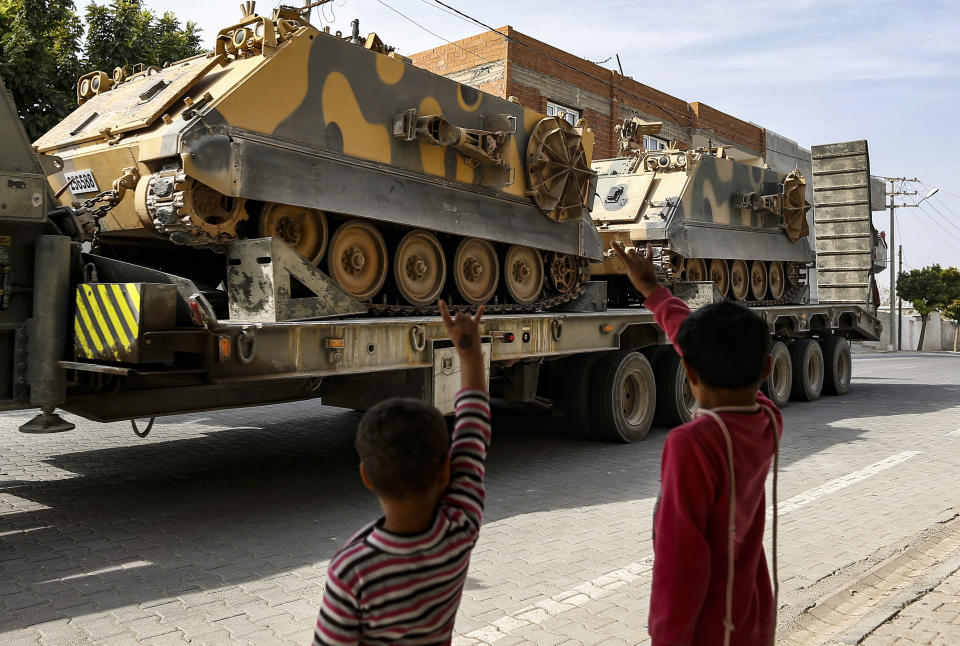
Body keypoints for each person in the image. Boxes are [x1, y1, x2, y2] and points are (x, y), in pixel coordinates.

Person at [611, 242, 782, 646]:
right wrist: (656, 295)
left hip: (709, 628)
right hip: (751, 615)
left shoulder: (692, 443)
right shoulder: (767, 420)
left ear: (686, 368)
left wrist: (654, 292)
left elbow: (680, 562)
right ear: (767, 369)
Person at [312, 301, 490, 646]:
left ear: (366, 476)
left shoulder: (352, 570)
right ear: (444, 471)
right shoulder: (460, 527)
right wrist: (468, 353)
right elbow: (473, 429)